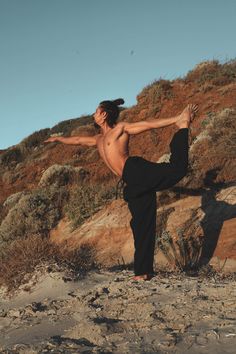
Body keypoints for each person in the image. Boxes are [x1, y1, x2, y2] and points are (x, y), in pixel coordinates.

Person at [44, 99, 198, 281]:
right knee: (141, 225)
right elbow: (77, 140)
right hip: (131, 182)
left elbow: (147, 125)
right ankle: (143, 272)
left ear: (103, 114)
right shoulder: (98, 139)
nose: (93, 114)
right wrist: (58, 139)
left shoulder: (120, 129)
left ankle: (182, 126)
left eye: (96, 111)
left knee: (177, 169)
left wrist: (175, 119)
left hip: (135, 170)